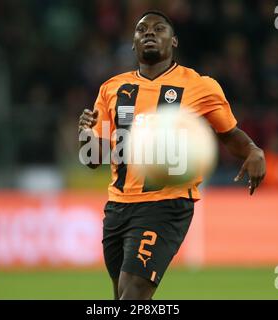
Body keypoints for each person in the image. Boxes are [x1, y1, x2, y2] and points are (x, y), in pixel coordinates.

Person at [78, 10, 266, 300]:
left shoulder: (199, 85)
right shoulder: (112, 89)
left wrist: (252, 150)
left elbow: (229, 133)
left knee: (134, 294)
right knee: (120, 297)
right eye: (142, 30)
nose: (149, 33)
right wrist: (86, 136)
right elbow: (94, 159)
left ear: (174, 40)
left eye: (158, 29)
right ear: (133, 43)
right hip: (117, 207)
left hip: (166, 204)